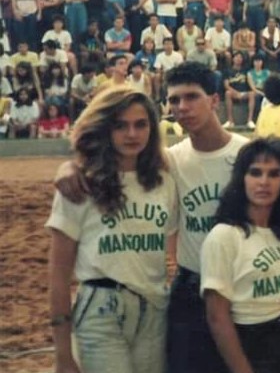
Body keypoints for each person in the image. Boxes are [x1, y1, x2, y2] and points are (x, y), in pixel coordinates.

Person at [54, 61, 251, 373]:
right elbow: (119, 160)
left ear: (215, 100)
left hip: (240, 282)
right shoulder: (169, 162)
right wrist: (72, 166)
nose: (182, 107)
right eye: (174, 100)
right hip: (188, 285)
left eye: (191, 97)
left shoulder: (248, 155)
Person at [47, 87, 177, 373]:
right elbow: (58, 275)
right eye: (120, 125)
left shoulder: (164, 179)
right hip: (100, 309)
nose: (132, 134)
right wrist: (62, 355)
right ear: (104, 127)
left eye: (141, 124)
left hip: (154, 307)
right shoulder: (80, 184)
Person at [200, 137, 280, 373]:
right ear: (242, 178)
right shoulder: (224, 236)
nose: (264, 182)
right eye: (255, 172)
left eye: (274, 174)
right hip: (253, 347)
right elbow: (217, 317)